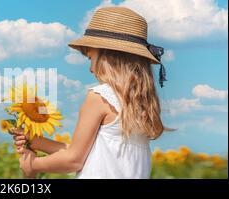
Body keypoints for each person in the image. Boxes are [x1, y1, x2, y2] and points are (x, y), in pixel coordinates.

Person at [12, 6, 173, 179]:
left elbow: (74, 160)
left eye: (91, 58)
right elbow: (88, 152)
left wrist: (33, 165)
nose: (90, 68)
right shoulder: (141, 107)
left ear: (108, 57)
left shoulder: (100, 97)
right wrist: (37, 142)